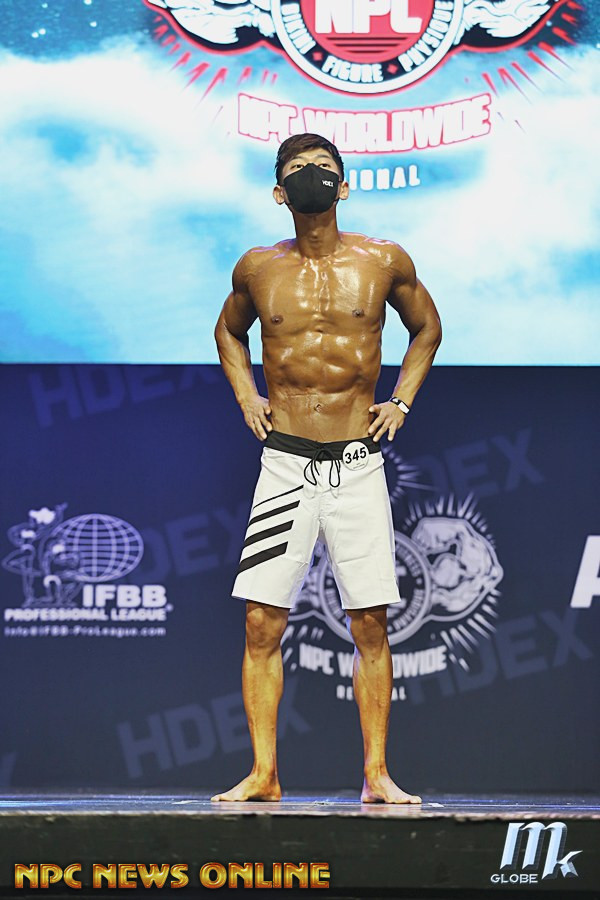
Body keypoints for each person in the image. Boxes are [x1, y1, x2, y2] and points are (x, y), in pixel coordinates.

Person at [212, 133, 442, 803]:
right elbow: (228, 331)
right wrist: (246, 395)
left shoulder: (384, 260)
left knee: (370, 621)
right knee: (262, 621)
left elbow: (426, 328)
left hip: (356, 462)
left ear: (343, 186)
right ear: (278, 192)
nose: (311, 175)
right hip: (285, 463)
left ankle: (376, 775)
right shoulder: (258, 268)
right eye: (298, 169)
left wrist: (401, 400)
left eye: (323, 168)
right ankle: (264, 774)